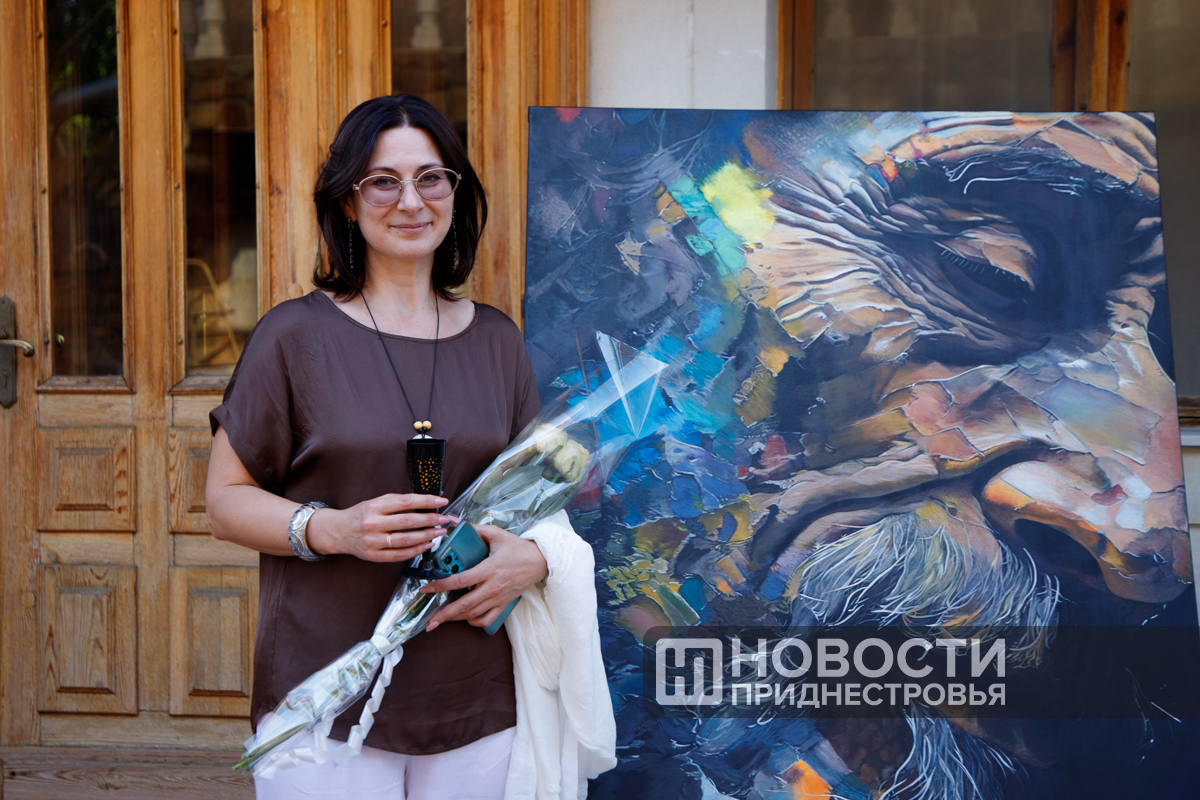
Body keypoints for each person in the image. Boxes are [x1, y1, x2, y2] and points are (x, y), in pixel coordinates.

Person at [206, 94, 551, 800]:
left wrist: (535, 560)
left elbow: (541, 503)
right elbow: (225, 502)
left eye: (431, 178)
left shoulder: (498, 340)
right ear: (348, 201)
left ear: (455, 192)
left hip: (478, 696)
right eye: (383, 181)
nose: (411, 201)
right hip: (326, 696)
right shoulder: (293, 336)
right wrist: (333, 529)